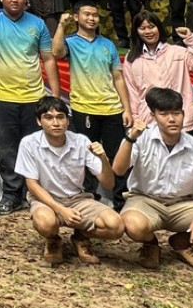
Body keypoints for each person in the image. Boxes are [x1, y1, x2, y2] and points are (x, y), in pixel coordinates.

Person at [113, 86, 193, 272]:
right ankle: (151, 244)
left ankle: (182, 242)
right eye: (164, 114)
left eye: (176, 113)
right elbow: (118, 170)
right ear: (153, 116)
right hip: (145, 200)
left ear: (183, 114)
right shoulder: (140, 139)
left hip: (183, 204)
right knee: (133, 225)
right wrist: (130, 138)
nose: (172, 119)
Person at [0, 0, 60, 215]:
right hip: (2, 97)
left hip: (34, 97)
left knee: (35, 148)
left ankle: (35, 194)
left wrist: (56, 95)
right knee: (8, 150)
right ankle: (11, 195)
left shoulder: (38, 24)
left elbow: (48, 58)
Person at [16, 96, 122, 266]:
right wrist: (61, 210)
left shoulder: (81, 142)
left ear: (68, 120)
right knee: (46, 223)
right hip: (46, 199)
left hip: (78, 199)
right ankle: (53, 240)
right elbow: (32, 185)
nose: (56, 123)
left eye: (60, 117)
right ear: (39, 121)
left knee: (116, 226)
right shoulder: (29, 143)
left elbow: (108, 184)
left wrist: (104, 159)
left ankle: (81, 236)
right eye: (48, 118)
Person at [51, 2, 131, 199]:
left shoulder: (108, 45)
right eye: (87, 14)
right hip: (84, 108)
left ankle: (120, 200)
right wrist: (61, 25)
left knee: (117, 156)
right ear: (76, 17)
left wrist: (127, 109)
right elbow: (57, 52)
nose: (92, 18)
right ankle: (89, 198)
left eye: (95, 15)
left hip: (112, 109)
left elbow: (118, 78)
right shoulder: (71, 42)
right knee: (86, 155)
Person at [121, 12, 193, 133]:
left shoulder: (177, 52)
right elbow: (132, 92)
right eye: (142, 28)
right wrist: (136, 119)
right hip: (149, 122)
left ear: (159, 28)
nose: (148, 31)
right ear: (136, 31)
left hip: (182, 120)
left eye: (151, 27)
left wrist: (191, 39)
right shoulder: (132, 59)